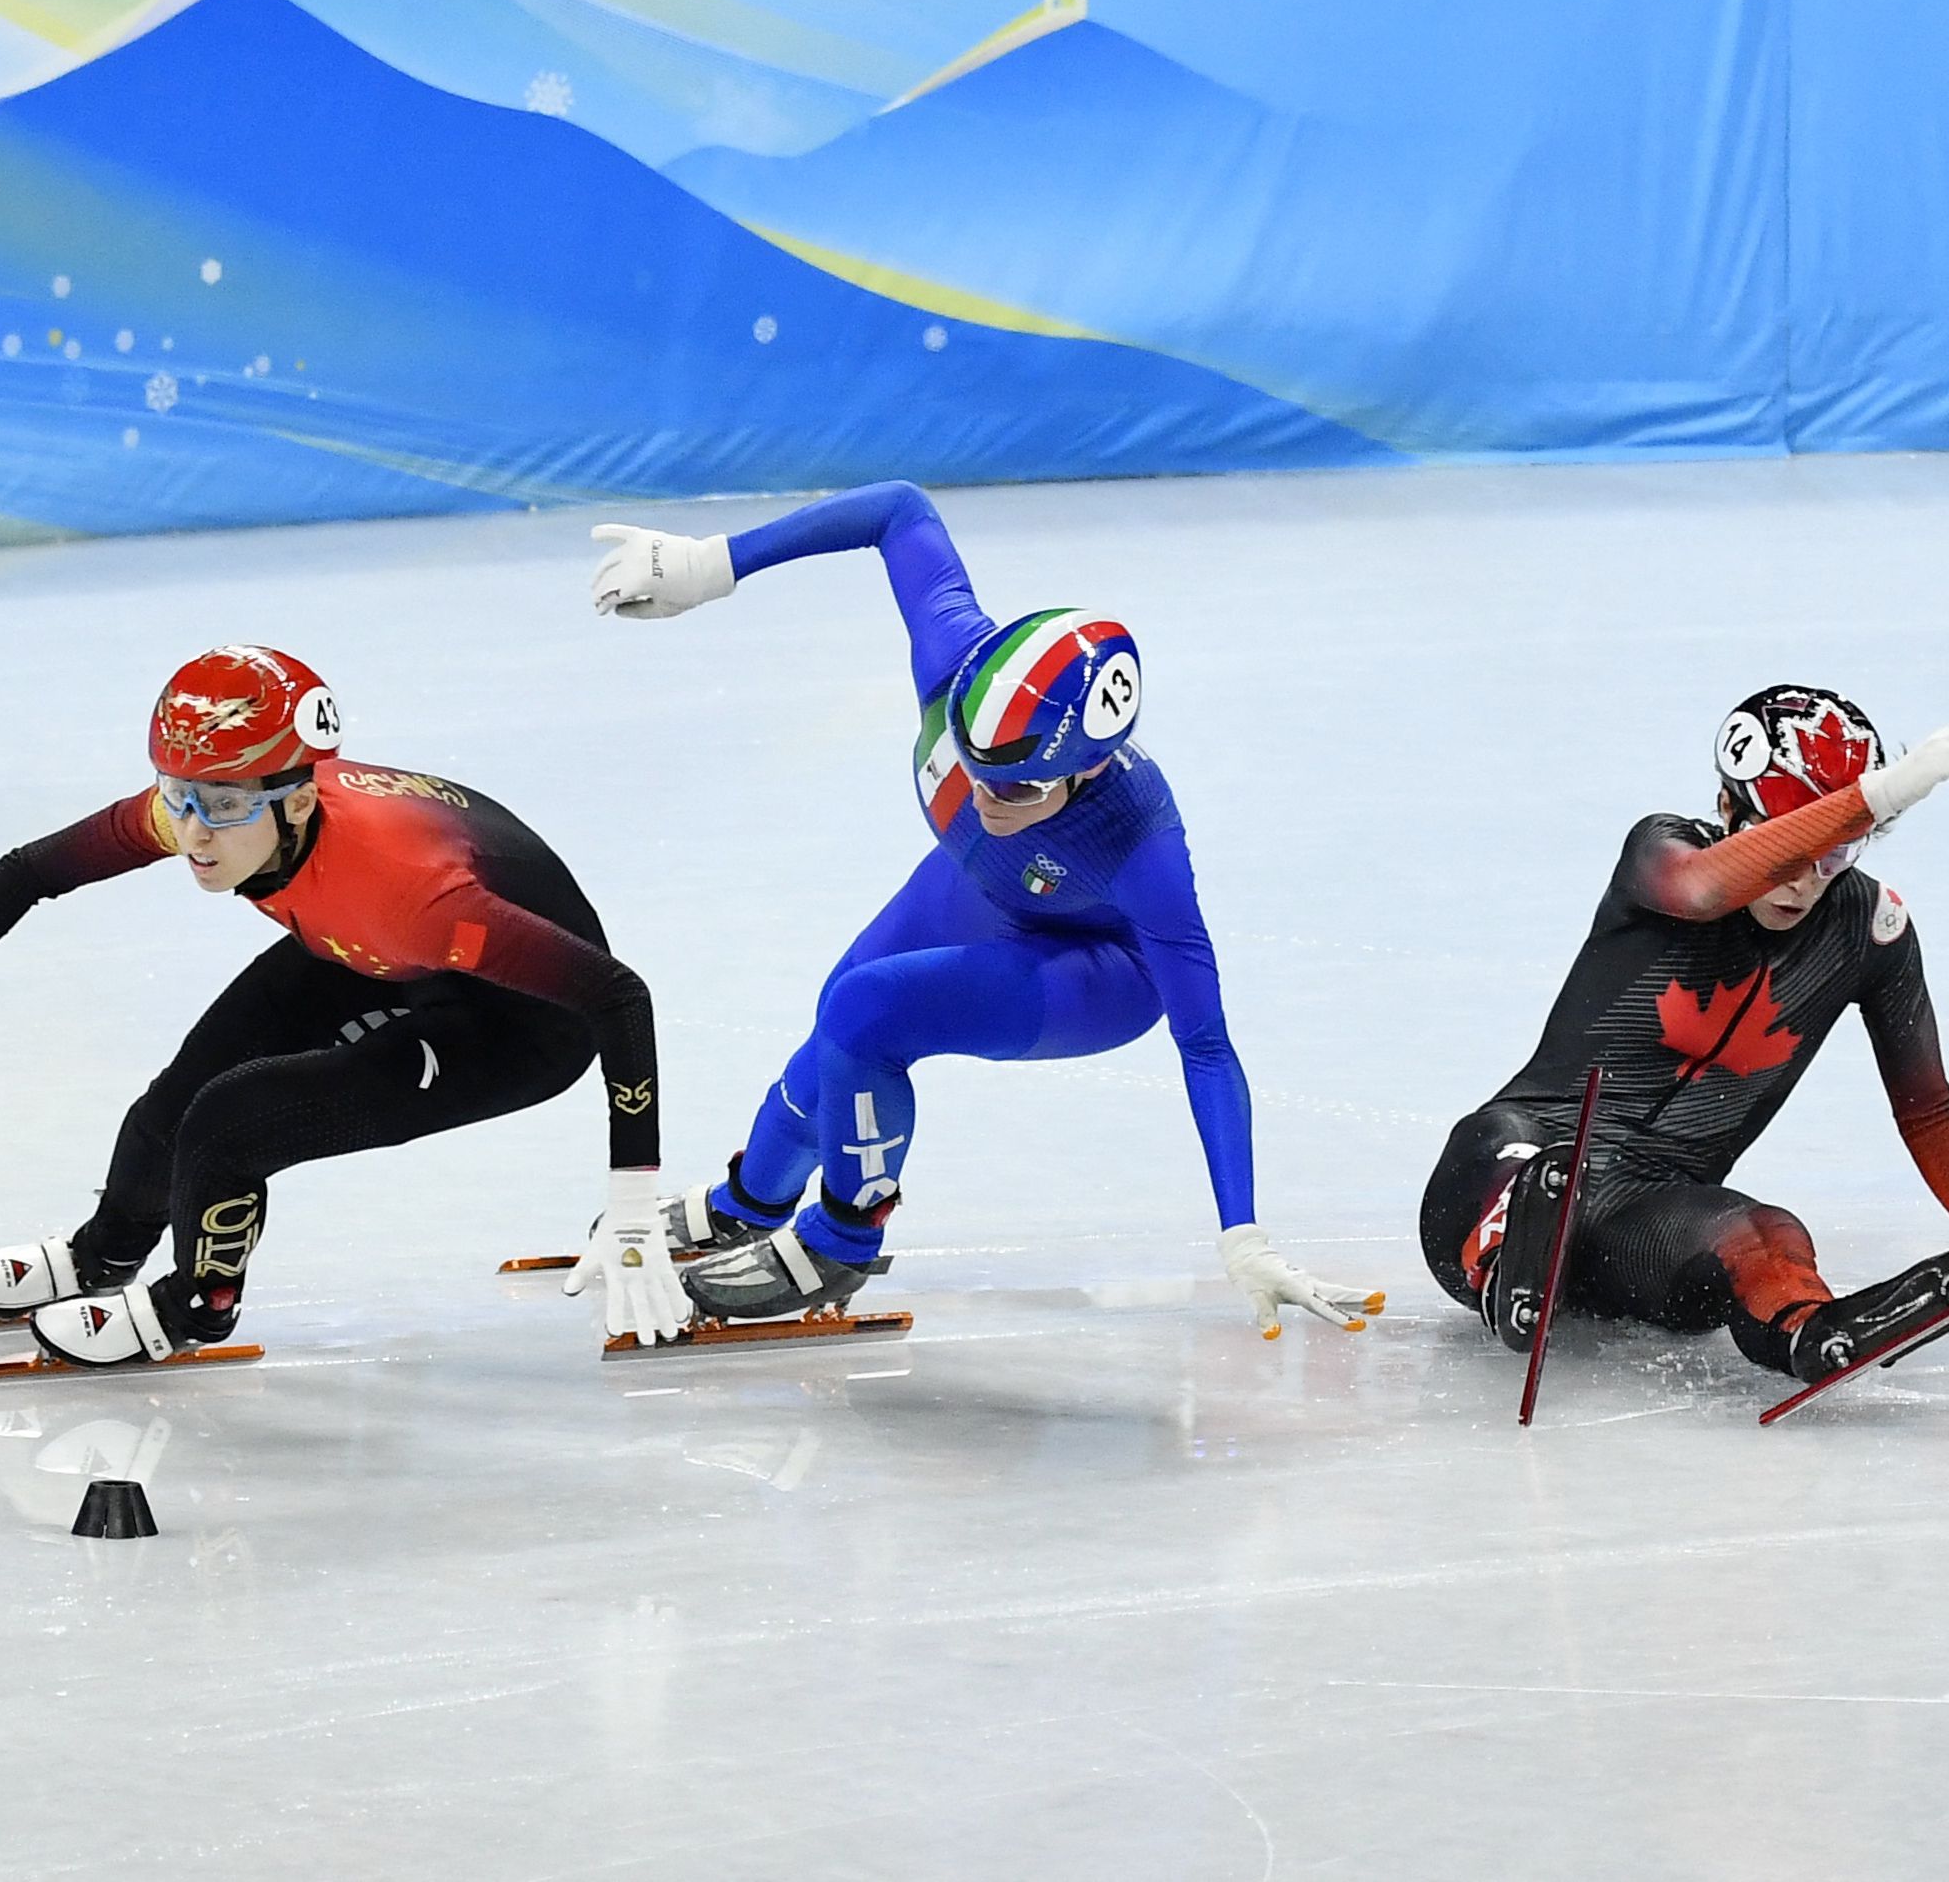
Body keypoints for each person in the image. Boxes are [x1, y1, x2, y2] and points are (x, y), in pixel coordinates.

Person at [587, 482, 1375, 1337]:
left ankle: (840, 1242)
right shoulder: (951, 658)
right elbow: (898, 510)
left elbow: (1208, 1045)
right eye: (974, 762)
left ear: (1089, 769)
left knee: (868, 1011)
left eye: (1023, 784)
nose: (990, 793)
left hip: (1097, 971)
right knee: (839, 1012)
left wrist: (1242, 1234)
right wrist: (712, 563)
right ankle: (751, 1200)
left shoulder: (1144, 849)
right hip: (988, 884)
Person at [0, 646, 676, 1365]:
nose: (193, 831)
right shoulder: (214, 802)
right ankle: (103, 1253)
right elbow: (30, 871)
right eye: (176, 793)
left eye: (223, 807)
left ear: (300, 798)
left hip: (518, 1020)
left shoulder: (413, 888)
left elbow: (616, 994)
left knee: (232, 1124)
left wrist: (633, 1201)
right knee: (172, 1101)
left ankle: (195, 1307)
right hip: (365, 945)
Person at [1419, 684, 1949, 1384]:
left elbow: (1926, 1107)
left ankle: (1810, 1332)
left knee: (1766, 1233)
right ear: (1727, 810)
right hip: (1517, 1159)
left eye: (1833, 855)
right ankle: (1506, 1267)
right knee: (1513, 1150)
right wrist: (1878, 793)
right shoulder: (1661, 853)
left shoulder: (1870, 929)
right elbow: (1705, 892)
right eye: (1782, 844)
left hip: (1646, 1221)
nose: (1801, 880)